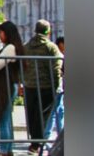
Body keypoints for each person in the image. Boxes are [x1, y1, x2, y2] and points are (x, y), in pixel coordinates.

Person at [22, 19, 63, 154]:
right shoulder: (51, 47)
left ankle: (34, 144)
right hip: (46, 87)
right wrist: (56, 86)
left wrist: (25, 80)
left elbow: (22, 65)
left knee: (32, 116)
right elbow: (56, 68)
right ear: (48, 32)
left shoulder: (27, 46)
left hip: (30, 86)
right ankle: (37, 144)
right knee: (43, 116)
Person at [0, 21, 25, 156]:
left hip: (7, 86)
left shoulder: (10, 48)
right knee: (7, 118)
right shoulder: (12, 47)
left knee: (3, 119)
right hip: (10, 84)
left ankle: (4, 150)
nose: (0, 36)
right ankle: (8, 149)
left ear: (7, 33)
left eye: (1, 33)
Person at [43, 36, 65, 139]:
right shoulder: (57, 55)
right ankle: (47, 137)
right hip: (57, 87)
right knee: (54, 112)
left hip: (59, 87)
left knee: (59, 111)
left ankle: (60, 136)